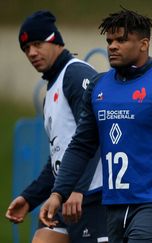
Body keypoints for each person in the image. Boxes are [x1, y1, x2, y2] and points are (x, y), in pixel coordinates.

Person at [38, 7, 152, 243]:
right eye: (109, 41)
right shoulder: (98, 87)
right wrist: (59, 192)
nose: (112, 46)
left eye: (121, 40)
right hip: (114, 205)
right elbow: (81, 146)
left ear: (144, 44)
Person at [5, 10, 108, 243]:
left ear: (55, 40)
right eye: (26, 48)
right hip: (63, 196)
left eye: (38, 44)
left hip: (92, 196)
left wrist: (78, 189)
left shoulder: (75, 74)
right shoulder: (52, 87)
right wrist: (30, 198)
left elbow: (95, 136)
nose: (32, 53)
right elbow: (58, 158)